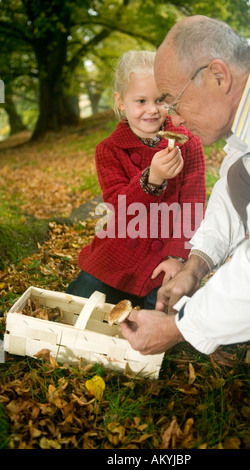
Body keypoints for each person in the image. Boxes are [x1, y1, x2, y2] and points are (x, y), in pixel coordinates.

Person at [120, 16, 250, 355]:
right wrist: (195, 266)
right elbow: (237, 181)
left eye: (173, 100)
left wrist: (180, 326)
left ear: (218, 75)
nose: (173, 119)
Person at [67, 50, 206, 309]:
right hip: (117, 255)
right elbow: (119, 208)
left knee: (171, 313)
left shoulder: (190, 143)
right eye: (140, 101)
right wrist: (151, 180)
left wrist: (177, 257)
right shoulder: (109, 150)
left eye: (160, 100)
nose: (152, 110)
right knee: (78, 306)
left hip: (164, 259)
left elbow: (193, 207)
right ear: (121, 102)